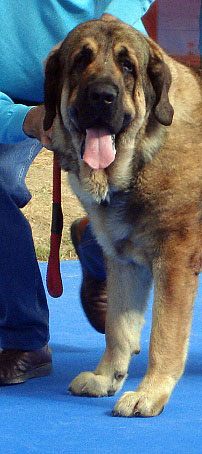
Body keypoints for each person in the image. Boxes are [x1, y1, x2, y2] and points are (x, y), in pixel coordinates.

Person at [0, 0, 154, 386]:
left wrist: (116, 13)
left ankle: (97, 247)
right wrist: (28, 119)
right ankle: (25, 339)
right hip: (10, 95)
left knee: (148, 201)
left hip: (116, 81)